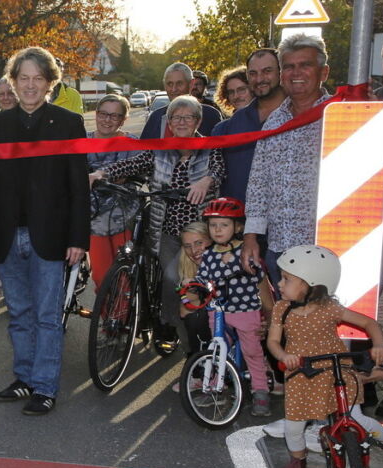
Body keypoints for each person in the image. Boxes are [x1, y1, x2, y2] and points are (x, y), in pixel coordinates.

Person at [0, 46, 88, 416]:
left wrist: (78, 238)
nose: (30, 85)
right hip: (6, 235)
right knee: (18, 314)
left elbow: (78, 187)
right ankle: (25, 378)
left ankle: (45, 387)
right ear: (13, 82)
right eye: (24, 78)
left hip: (50, 237)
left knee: (47, 316)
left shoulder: (68, 124)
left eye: (38, 78)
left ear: (50, 83)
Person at [91, 95, 226, 348]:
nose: (182, 122)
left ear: (197, 121)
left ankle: (173, 328)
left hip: (196, 232)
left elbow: (218, 171)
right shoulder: (160, 148)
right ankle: (168, 325)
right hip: (164, 229)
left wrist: (205, 181)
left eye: (188, 117)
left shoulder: (210, 147)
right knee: (165, 276)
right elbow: (133, 163)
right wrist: (102, 173)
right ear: (170, 123)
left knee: (176, 278)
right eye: (177, 117)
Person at [267, 245, 383, 468]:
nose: (280, 284)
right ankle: (298, 461)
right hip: (302, 373)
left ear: (310, 284)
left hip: (335, 372)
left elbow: (370, 324)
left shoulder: (329, 308)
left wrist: (379, 345)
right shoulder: (281, 309)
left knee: (355, 418)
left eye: (286, 279)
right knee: (293, 428)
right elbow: (273, 341)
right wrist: (283, 356)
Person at [241, 34, 332, 286]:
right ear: (282, 76)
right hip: (280, 250)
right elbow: (258, 183)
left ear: (323, 72)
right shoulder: (274, 122)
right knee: (287, 321)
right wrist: (251, 237)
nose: (296, 72)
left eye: (305, 65)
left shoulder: (340, 117)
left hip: (326, 249)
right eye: (290, 66)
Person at [188, 198, 272, 414]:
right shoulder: (208, 255)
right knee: (216, 348)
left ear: (238, 227)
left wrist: (240, 264)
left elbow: (258, 273)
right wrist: (194, 285)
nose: (217, 230)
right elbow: (202, 276)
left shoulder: (244, 251)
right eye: (213, 225)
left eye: (224, 225)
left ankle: (260, 390)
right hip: (217, 310)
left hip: (245, 310)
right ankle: (216, 384)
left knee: (252, 350)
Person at [212, 49, 285, 202]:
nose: (259, 79)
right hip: (239, 219)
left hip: (285, 219)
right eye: (253, 73)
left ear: (281, 72)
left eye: (267, 71)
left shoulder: (300, 117)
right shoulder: (233, 124)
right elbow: (215, 169)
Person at [85, 93, 140, 289]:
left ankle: (121, 318)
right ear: (96, 114)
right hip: (92, 218)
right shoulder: (82, 141)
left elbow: (136, 168)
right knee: (100, 276)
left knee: (123, 273)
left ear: (124, 119)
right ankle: (106, 317)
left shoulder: (132, 144)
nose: (107, 120)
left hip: (123, 215)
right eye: (103, 114)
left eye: (115, 116)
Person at [174, 221, 213, 392]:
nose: (194, 250)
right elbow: (185, 310)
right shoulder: (188, 268)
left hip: (237, 318)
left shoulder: (226, 261)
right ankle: (199, 372)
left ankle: (205, 372)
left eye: (199, 243)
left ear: (210, 240)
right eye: (188, 246)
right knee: (194, 317)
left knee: (198, 316)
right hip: (211, 318)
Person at [141, 62, 223, 138]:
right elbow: (143, 150)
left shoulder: (211, 115)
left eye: (179, 83)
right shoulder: (156, 117)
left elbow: (221, 150)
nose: (174, 89)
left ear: (191, 84)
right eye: (170, 84)